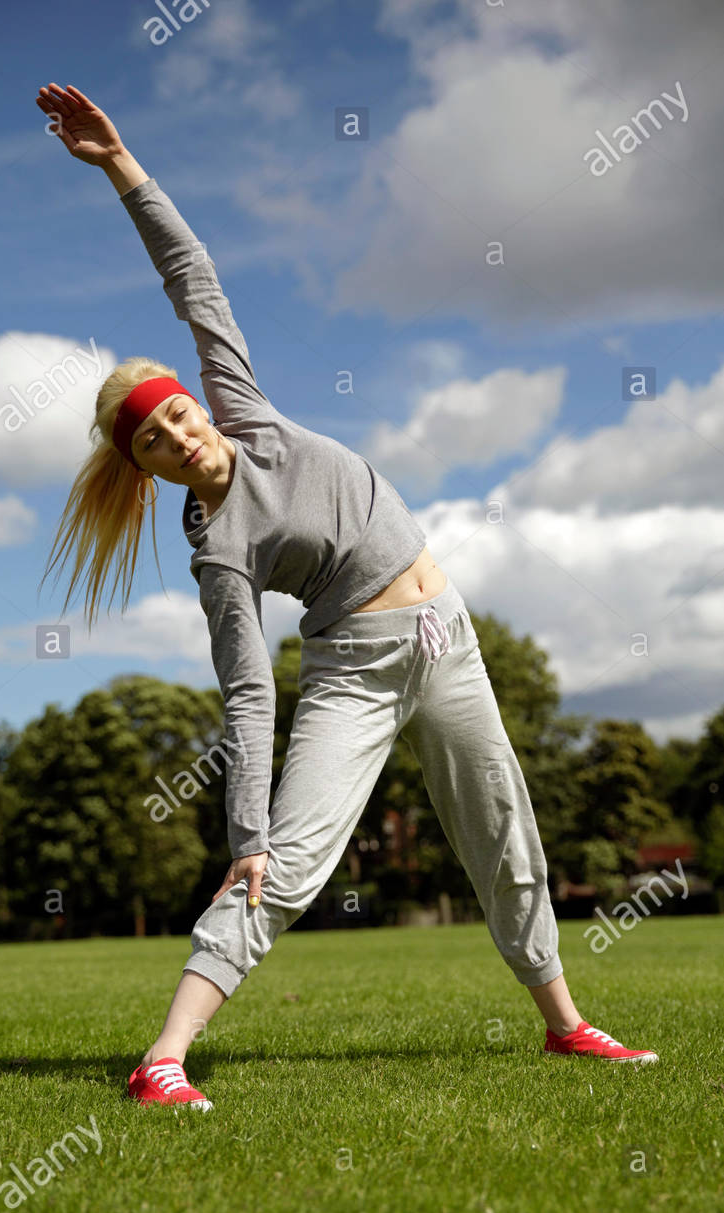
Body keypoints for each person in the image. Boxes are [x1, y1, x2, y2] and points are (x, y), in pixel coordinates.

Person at [36, 83, 658, 1110]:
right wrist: (245, 833)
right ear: (146, 465)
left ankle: (565, 1026)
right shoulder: (217, 550)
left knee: (505, 832)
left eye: (178, 415)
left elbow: (191, 277)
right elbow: (246, 694)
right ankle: (162, 1059)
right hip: (356, 670)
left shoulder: (245, 407)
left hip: (446, 636)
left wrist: (119, 165)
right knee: (285, 869)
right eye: (156, 439)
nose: (182, 434)